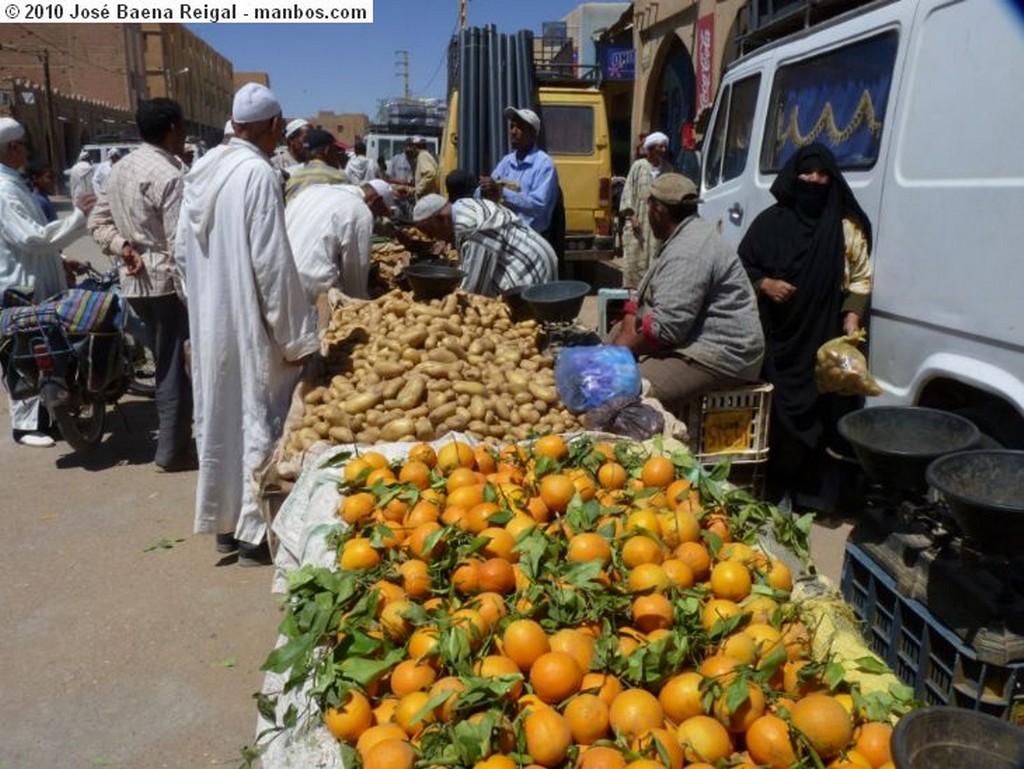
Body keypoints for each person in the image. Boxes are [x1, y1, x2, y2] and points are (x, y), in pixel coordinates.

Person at [175, 83, 319, 566]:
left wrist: (203, 303)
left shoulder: (203, 169)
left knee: (220, 421)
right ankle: (255, 534)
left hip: (213, 318)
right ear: (273, 126)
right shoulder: (257, 173)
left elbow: (180, 254)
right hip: (249, 322)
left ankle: (224, 524)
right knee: (259, 419)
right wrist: (296, 336)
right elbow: (272, 264)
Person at [737, 142, 872, 512]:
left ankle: (814, 496)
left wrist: (852, 315)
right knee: (777, 409)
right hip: (778, 338)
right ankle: (774, 484)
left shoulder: (845, 228)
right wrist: (765, 284)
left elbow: (860, 277)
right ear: (793, 177)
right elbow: (741, 267)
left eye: (822, 174)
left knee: (822, 412)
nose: (814, 180)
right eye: (807, 174)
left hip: (823, 335)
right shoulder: (770, 223)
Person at [88, 97, 194, 473]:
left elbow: (96, 222)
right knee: (175, 368)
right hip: (167, 283)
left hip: (135, 285)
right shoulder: (171, 174)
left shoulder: (119, 169)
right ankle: (172, 452)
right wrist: (194, 293)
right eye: (182, 128)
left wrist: (123, 247)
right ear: (171, 129)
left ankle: (175, 444)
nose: (184, 136)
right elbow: (181, 244)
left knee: (165, 361)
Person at [610, 173, 764, 414]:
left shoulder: (689, 251)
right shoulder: (684, 234)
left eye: (649, 206)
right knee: (612, 343)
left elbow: (668, 328)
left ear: (658, 210)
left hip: (719, 356)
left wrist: (620, 352)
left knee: (616, 391)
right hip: (694, 339)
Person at [0, 117, 94, 447]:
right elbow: (31, 239)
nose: (26, 151)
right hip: (21, 284)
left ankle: (48, 416)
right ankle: (25, 426)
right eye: (23, 145)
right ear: (12, 148)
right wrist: (78, 218)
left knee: (46, 349)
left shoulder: (13, 185)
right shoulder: (4, 190)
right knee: (25, 353)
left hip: (36, 276)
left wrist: (60, 259)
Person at [412, 186, 557, 297]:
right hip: (536, 254)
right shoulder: (461, 205)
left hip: (528, 265)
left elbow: (475, 287)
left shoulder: (471, 229)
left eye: (431, 232)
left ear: (441, 219)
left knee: (513, 310)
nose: (434, 238)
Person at [285, 179, 379, 303]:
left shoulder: (311, 190)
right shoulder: (360, 209)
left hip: (277, 276)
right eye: (378, 213)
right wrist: (360, 302)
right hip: (311, 288)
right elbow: (356, 269)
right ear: (376, 200)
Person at [480, 106, 561, 245]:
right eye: (512, 127)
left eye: (519, 128)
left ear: (532, 134)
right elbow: (491, 187)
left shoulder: (544, 165)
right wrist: (483, 189)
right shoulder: (506, 161)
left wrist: (501, 192)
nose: (512, 132)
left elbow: (539, 205)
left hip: (530, 239)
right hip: (503, 234)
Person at [619, 131, 676, 288]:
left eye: (665, 147)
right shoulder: (638, 167)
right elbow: (629, 191)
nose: (664, 150)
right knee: (635, 255)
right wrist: (632, 217)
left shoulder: (668, 169)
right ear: (651, 148)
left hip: (659, 221)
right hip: (639, 219)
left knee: (657, 255)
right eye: (660, 146)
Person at [283, 128, 349, 203]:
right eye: (335, 150)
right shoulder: (338, 177)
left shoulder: (292, 180)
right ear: (327, 150)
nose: (337, 155)